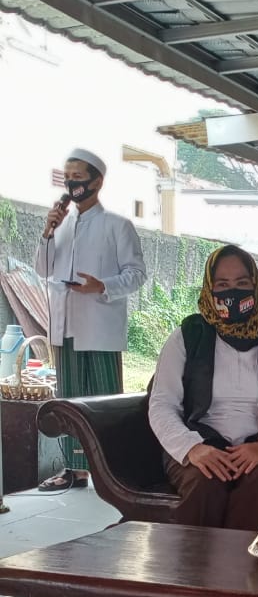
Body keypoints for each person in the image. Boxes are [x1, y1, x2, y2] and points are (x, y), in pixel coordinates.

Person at [149, 245, 258, 532]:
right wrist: (192, 448)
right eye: (222, 285)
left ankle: (241, 562)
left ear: (255, 285)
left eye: (241, 284)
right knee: (205, 483)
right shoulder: (188, 336)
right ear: (209, 288)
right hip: (201, 443)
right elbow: (162, 404)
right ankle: (191, 562)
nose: (232, 293)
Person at [35, 147, 146, 493]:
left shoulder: (117, 225)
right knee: (69, 400)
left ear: (97, 182)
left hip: (99, 326)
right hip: (66, 325)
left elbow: (137, 274)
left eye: (78, 177)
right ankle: (74, 470)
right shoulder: (61, 225)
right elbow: (43, 269)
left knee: (102, 399)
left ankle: (112, 470)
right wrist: (48, 231)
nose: (72, 184)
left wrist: (103, 286)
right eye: (68, 177)